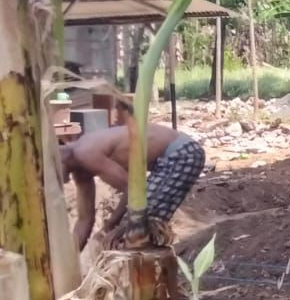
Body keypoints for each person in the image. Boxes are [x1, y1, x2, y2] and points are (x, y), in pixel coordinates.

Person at [62, 100, 205, 249]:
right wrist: (69, 261)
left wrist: (110, 226)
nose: (59, 183)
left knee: (137, 226)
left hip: (182, 154)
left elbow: (133, 189)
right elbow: (85, 220)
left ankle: (150, 267)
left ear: (59, 160)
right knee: (130, 228)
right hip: (164, 162)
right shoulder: (80, 170)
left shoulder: (85, 153)